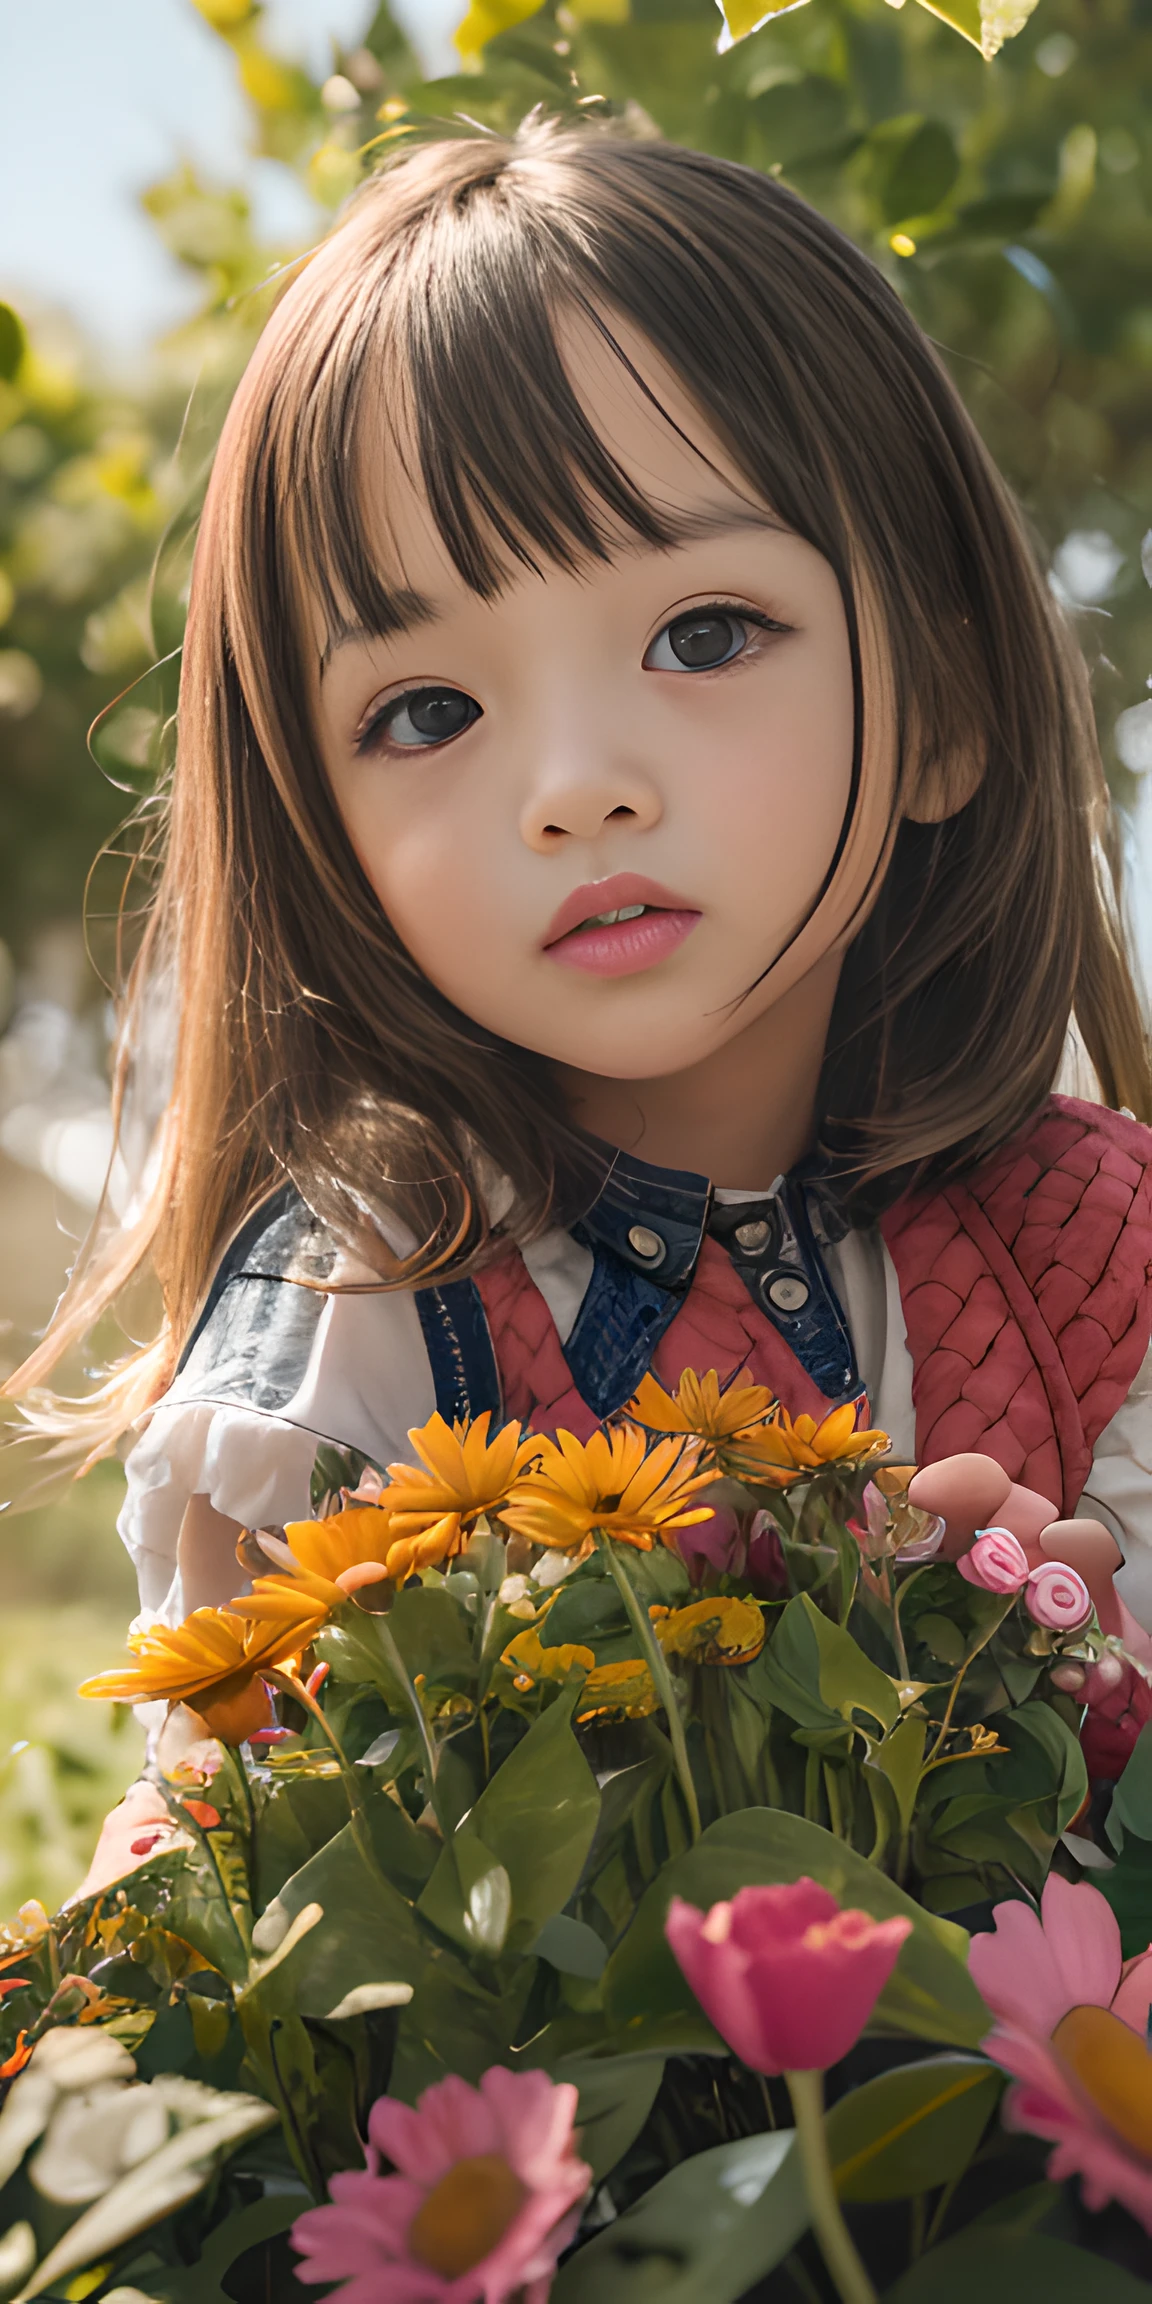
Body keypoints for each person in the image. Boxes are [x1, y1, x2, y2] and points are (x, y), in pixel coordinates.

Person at [7, 122, 1152, 1884]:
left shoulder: (1107, 1260)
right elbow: (274, 1931)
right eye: (424, 712)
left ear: (938, 703)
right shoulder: (362, 1320)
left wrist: (1056, 1685)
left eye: (702, 633)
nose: (571, 784)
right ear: (326, 838)